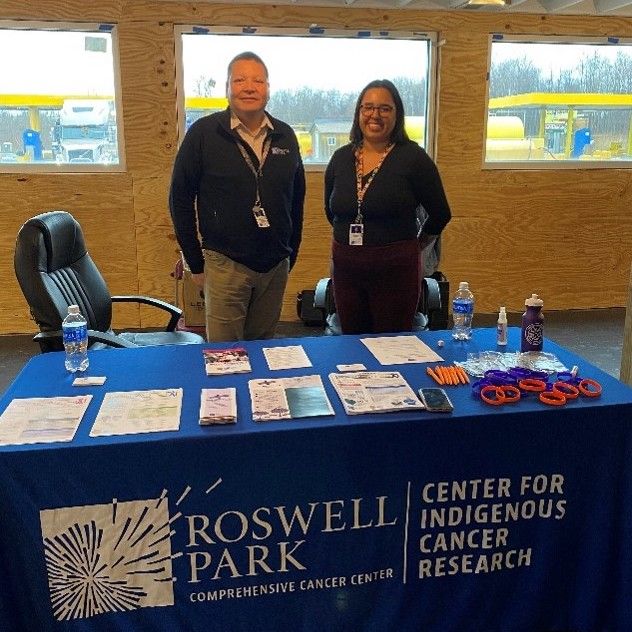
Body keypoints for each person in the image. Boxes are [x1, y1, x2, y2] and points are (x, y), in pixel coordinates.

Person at [169, 51, 306, 341]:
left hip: (274, 266)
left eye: (258, 80)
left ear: (268, 88)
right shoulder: (204, 134)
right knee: (225, 359)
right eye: (240, 79)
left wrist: (289, 255)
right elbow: (179, 200)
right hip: (225, 265)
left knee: (262, 353)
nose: (249, 87)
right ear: (227, 87)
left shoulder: (285, 136)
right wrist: (195, 263)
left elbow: (296, 201)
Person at [324, 79, 451, 334]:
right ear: (359, 113)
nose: (375, 115)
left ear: (397, 115)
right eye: (368, 107)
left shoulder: (413, 158)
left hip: (395, 271)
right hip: (347, 269)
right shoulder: (340, 158)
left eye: (385, 108)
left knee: (391, 347)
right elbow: (332, 211)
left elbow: (440, 213)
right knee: (351, 344)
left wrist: (416, 245)